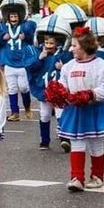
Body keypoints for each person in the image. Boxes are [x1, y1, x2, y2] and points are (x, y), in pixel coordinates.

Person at [53, 26, 104, 192]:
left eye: (74, 45)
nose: (71, 49)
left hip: (94, 110)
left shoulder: (103, 67)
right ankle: (77, 178)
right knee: (76, 142)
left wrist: (88, 95)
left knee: (95, 144)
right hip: (76, 110)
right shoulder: (68, 67)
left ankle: (97, 177)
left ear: (84, 46)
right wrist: (60, 93)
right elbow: (63, 85)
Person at [28, 14, 72, 150]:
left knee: (60, 114)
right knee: (45, 115)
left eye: (51, 43)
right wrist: (40, 59)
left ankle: (65, 138)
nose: (48, 46)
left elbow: (72, 68)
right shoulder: (39, 54)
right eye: (46, 43)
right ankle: (44, 140)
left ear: (58, 43)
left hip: (58, 91)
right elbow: (31, 69)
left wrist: (62, 67)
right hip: (44, 90)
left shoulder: (64, 55)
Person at [0, 0, 36, 122]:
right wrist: (2, 38)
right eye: (11, 17)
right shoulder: (2, 27)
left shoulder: (26, 26)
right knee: (11, 88)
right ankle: (14, 112)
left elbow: (33, 37)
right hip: (9, 62)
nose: (13, 19)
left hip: (22, 62)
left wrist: (26, 37)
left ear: (20, 16)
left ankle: (27, 107)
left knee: (23, 87)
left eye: (16, 16)